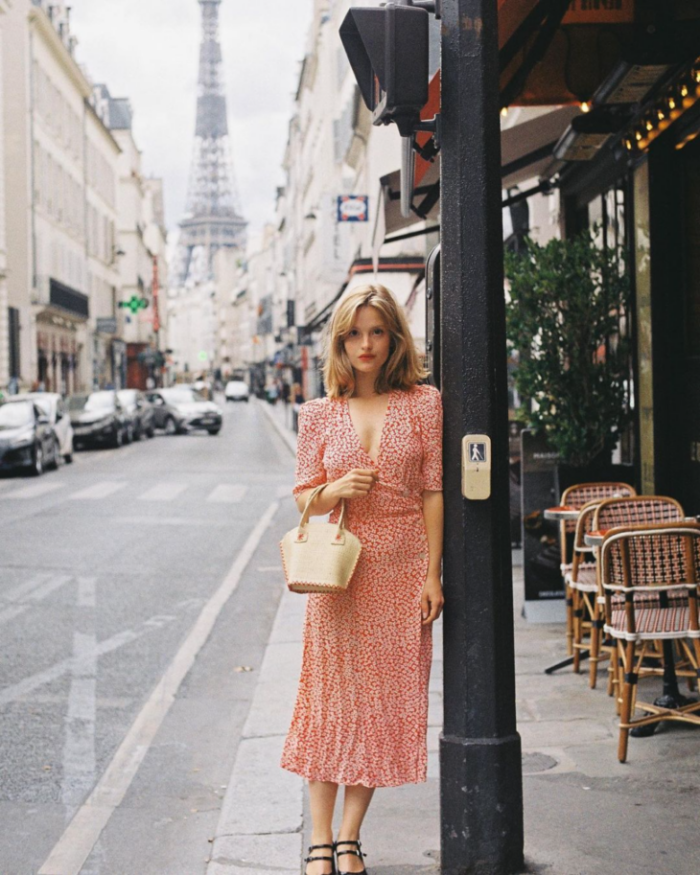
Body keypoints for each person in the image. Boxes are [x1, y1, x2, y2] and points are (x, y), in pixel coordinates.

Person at [281, 284, 444, 875]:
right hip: (340, 570)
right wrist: (333, 491)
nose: (365, 344)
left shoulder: (423, 403)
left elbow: (433, 490)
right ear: (340, 341)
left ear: (394, 337)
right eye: (354, 333)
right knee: (328, 702)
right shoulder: (317, 412)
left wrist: (432, 574)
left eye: (376, 331)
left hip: (402, 570)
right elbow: (303, 494)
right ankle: (319, 839)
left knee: (380, 706)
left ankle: (349, 838)